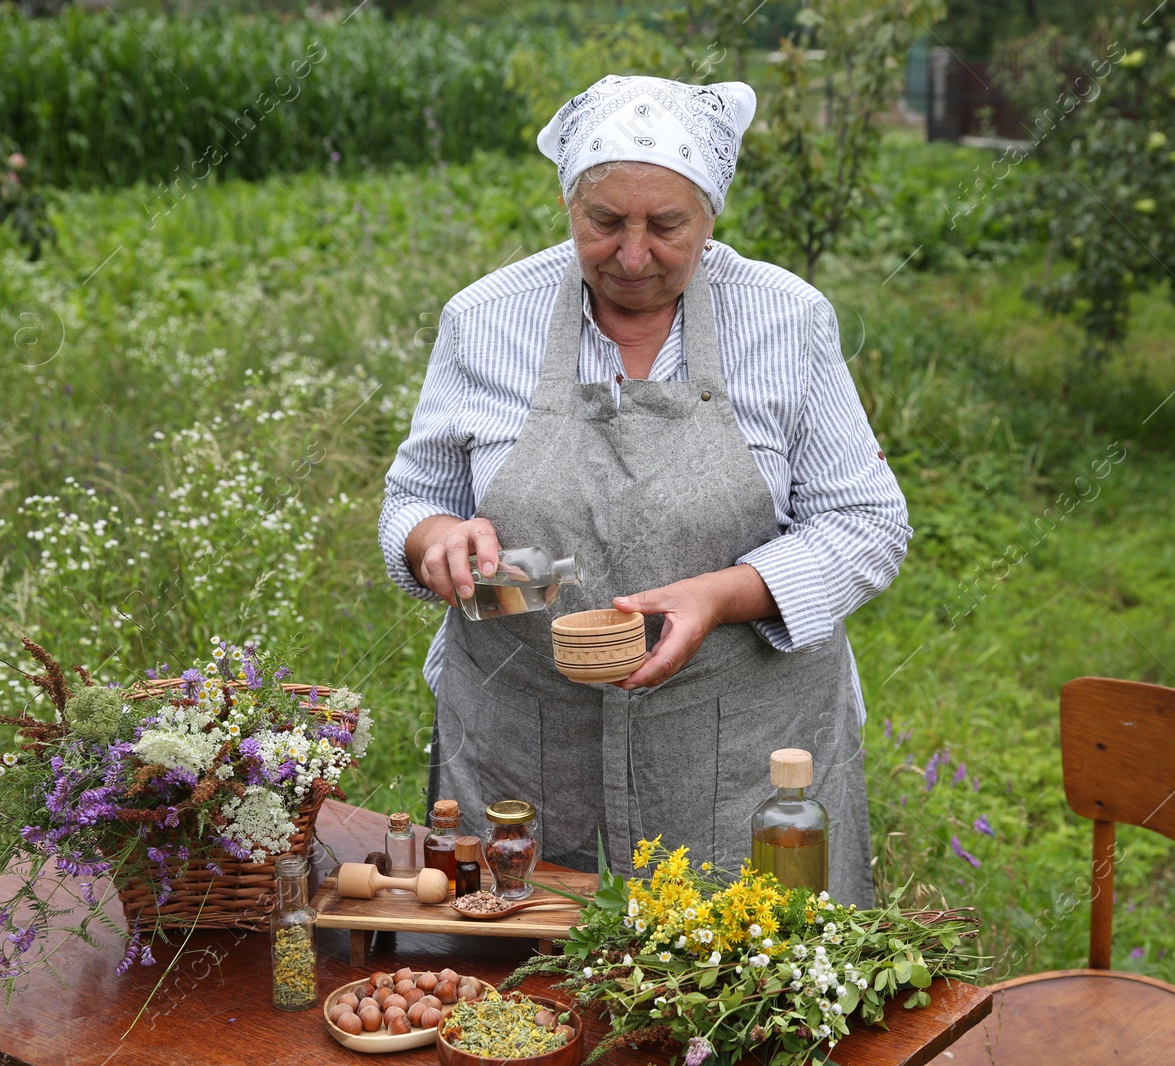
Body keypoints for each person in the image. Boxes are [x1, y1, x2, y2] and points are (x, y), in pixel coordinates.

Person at [379, 75, 909, 905]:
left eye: (667, 225)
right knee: (524, 995)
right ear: (566, 202)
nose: (632, 255)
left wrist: (725, 594)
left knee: (739, 993)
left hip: (741, 750)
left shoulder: (785, 319)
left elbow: (866, 523)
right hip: (526, 740)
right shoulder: (484, 318)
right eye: (604, 223)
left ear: (711, 213)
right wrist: (434, 537)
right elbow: (414, 497)